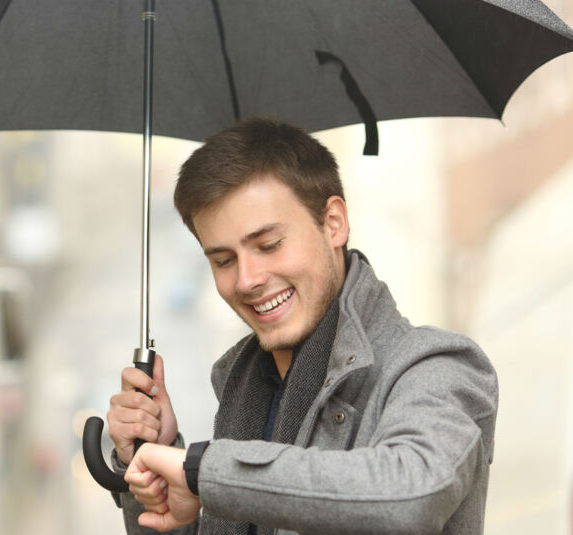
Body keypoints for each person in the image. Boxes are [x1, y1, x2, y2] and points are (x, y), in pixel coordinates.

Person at [106, 118, 498, 535]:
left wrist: (204, 472)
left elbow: (411, 495)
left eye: (269, 245)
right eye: (223, 260)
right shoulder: (243, 390)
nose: (247, 279)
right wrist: (154, 458)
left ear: (333, 223)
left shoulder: (438, 368)